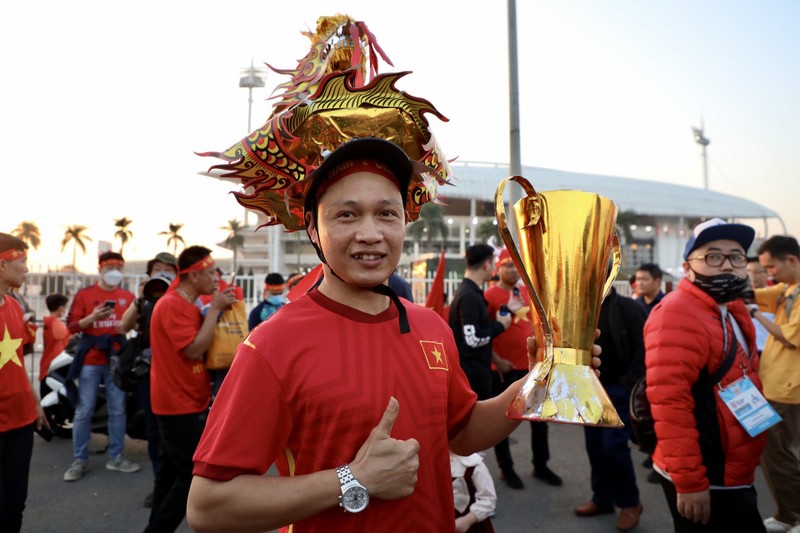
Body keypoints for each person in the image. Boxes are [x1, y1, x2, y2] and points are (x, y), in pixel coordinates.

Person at [186, 138, 601, 532]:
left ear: (404, 222)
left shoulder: (430, 326)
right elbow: (208, 506)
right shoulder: (272, 344)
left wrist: (536, 381)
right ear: (313, 228)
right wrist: (353, 478)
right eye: (346, 215)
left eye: (387, 213)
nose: (371, 233)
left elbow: (462, 432)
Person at [645, 218, 768, 532]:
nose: (727, 265)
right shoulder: (677, 311)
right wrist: (690, 482)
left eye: (736, 256)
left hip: (731, 467)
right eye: (713, 256)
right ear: (688, 267)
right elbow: (669, 403)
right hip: (707, 473)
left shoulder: (731, 308)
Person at [145, 246, 238, 533]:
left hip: (188, 400)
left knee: (169, 474)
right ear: (194, 275)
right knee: (191, 478)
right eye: (211, 273)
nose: (215, 278)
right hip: (176, 404)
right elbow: (195, 351)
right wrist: (215, 310)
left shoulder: (189, 302)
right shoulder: (173, 304)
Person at [484, 249, 561, 489]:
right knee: (503, 421)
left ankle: (541, 465)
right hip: (502, 369)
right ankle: (506, 469)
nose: (513, 270)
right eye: (508, 266)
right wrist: (496, 360)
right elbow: (485, 334)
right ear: (498, 269)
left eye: (516, 266)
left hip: (532, 368)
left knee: (540, 419)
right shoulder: (489, 295)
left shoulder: (527, 293)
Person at [63, 251, 140, 482]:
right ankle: (79, 460)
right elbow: (71, 326)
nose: (114, 272)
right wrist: (93, 318)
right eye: (109, 267)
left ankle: (115, 457)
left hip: (117, 358)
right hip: (90, 359)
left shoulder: (127, 296)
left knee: (118, 409)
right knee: (84, 409)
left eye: (118, 267)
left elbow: (133, 325)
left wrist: (124, 326)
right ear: (100, 269)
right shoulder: (85, 295)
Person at [574, 285, 645, 531]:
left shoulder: (628, 307)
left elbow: (642, 350)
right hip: (589, 388)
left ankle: (630, 503)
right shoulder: (579, 309)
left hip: (619, 387)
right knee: (594, 446)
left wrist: (627, 385)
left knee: (613, 446)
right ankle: (602, 498)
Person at [119, 251, 178, 508]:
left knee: (180, 435)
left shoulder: (185, 299)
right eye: (158, 269)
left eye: (168, 269)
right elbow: (124, 326)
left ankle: (181, 488)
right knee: (155, 434)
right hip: (149, 374)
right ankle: (160, 486)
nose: (162, 273)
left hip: (179, 377)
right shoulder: (143, 300)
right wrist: (140, 299)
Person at [751, 236, 800, 533]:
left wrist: (754, 313)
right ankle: (787, 513)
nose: (769, 274)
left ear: (791, 261)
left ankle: (793, 514)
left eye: (772, 267)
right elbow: (759, 294)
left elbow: (788, 335)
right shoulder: (787, 288)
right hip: (775, 385)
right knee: (775, 454)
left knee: (779, 454)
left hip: (787, 388)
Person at [0, 233, 48, 532]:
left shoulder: (15, 308)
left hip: (21, 422)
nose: (26, 269)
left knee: (15, 504)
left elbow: (16, 361)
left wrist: (35, 402)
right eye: (22, 262)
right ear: (3, 264)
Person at [449, 244, 514, 403]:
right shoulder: (468, 296)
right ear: (486, 264)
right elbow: (472, 339)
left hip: (475, 372)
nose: (494, 268)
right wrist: (500, 326)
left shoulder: (471, 292)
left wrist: (507, 312)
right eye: (493, 263)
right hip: (472, 375)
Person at [451, 451, 496, 533]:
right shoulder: (432, 463)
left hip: (471, 523)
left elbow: (488, 498)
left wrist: (468, 520)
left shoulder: (474, 464)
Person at [39, 293, 71, 393]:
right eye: (65, 307)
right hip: (53, 366)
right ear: (61, 308)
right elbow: (71, 334)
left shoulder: (48, 321)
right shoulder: (55, 323)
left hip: (48, 364)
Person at [746, 257, 775, 356]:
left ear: (767, 274)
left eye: (757, 272)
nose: (752, 276)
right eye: (748, 271)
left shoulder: (777, 297)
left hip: (769, 352)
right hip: (746, 353)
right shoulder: (736, 298)